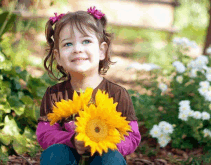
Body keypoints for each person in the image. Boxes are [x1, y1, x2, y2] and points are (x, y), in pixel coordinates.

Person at [36, 6, 141, 165]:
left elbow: (132, 136)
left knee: (111, 158)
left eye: (86, 41)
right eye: (68, 44)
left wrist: (105, 142)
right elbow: (45, 133)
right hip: (69, 156)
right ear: (57, 56)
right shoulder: (54, 94)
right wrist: (72, 140)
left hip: (104, 155)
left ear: (102, 51)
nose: (77, 49)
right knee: (54, 154)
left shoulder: (118, 94)